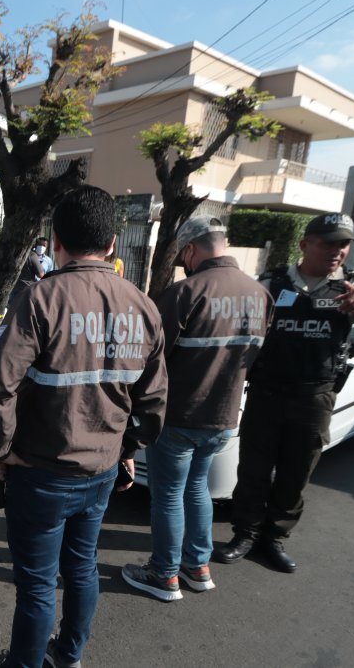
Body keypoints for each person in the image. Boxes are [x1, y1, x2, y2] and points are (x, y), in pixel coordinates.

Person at [0, 185, 167, 668]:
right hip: (100, 471)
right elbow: (155, 401)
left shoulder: (40, 300)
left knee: (37, 585)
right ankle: (68, 655)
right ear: (113, 243)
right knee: (82, 569)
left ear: (54, 238)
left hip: (40, 471)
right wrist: (127, 446)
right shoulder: (142, 306)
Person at [214, 212, 354, 573]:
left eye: (343, 244)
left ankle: (274, 538)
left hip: (315, 396)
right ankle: (245, 534)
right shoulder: (272, 281)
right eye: (328, 242)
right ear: (304, 244)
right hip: (267, 392)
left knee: (295, 473)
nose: (337, 251)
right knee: (253, 469)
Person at [120, 217, 272, 601]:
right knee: (197, 489)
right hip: (222, 418)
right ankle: (197, 566)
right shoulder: (260, 294)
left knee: (169, 494)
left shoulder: (185, 292)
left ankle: (164, 573)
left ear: (190, 249)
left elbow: (148, 359)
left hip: (179, 416)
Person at [8, 237, 46, 307]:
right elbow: (41, 274)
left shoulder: (13, 253)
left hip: (13, 290)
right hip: (27, 291)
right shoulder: (32, 255)